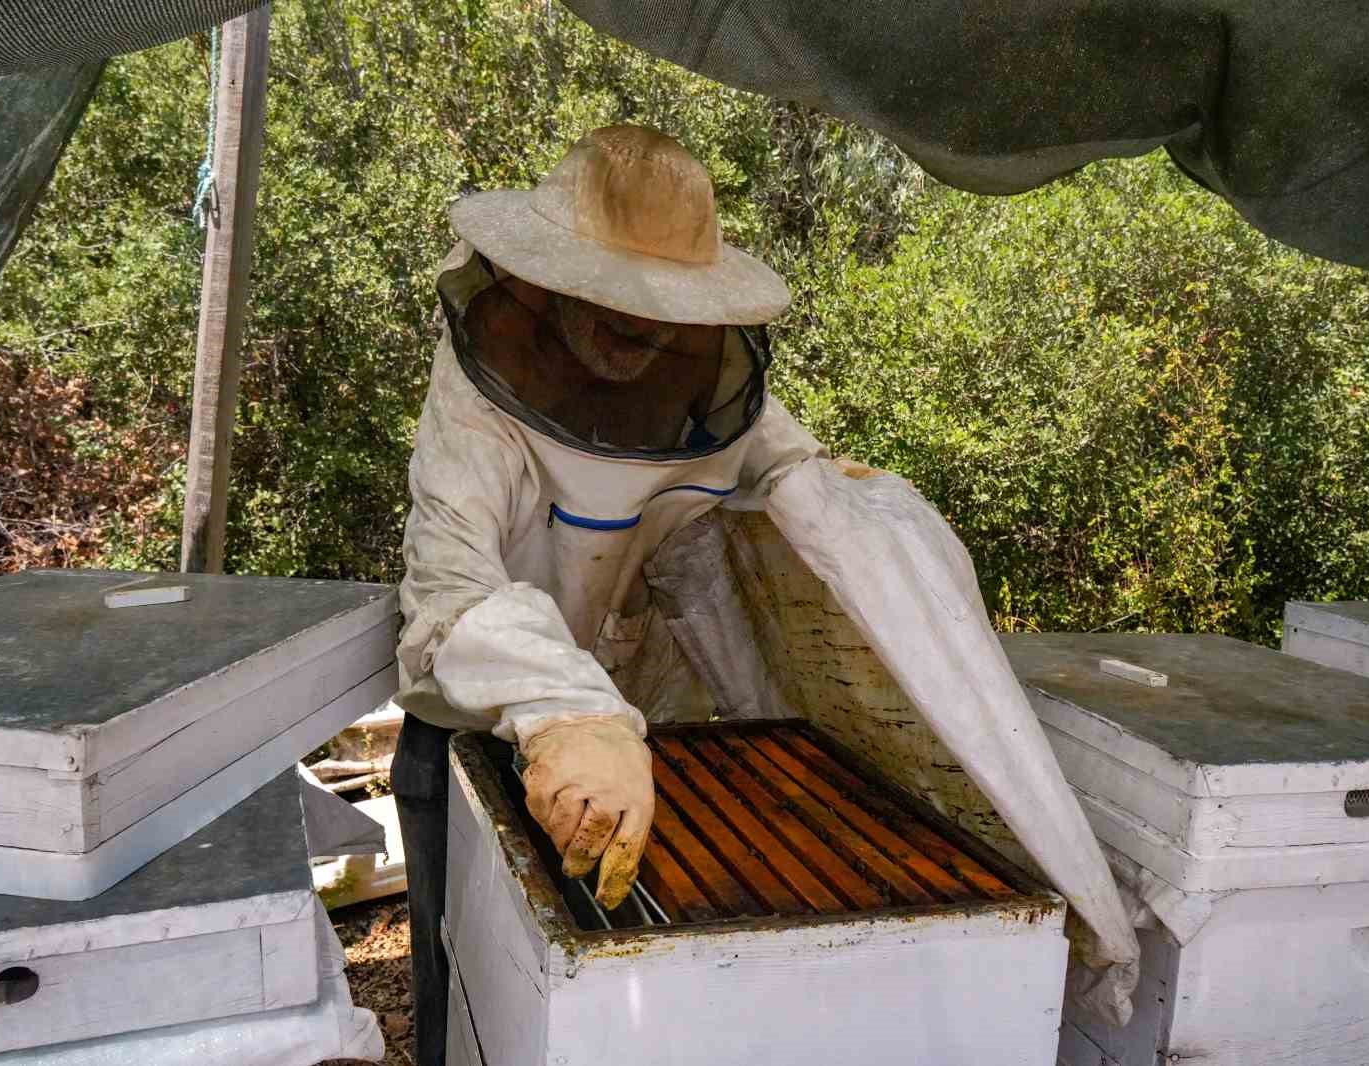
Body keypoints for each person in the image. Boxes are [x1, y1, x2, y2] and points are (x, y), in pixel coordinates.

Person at [391, 125, 1138, 1066]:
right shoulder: (475, 399)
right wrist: (564, 711)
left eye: (658, 308)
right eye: (616, 303)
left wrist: (892, 575)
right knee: (463, 986)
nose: (643, 333)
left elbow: (808, 494)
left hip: (644, 732)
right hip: (470, 727)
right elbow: (448, 595)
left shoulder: (708, 379)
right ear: (545, 285)